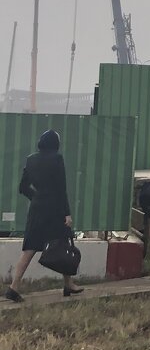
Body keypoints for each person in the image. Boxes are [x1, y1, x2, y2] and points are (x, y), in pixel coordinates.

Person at [5, 129, 82, 302]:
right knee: (64, 244)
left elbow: (23, 188)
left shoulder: (30, 159)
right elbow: (62, 189)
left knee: (29, 248)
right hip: (54, 210)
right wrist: (67, 213)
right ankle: (68, 284)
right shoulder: (57, 159)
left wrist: (38, 198)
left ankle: (13, 287)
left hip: (37, 210)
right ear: (56, 144)